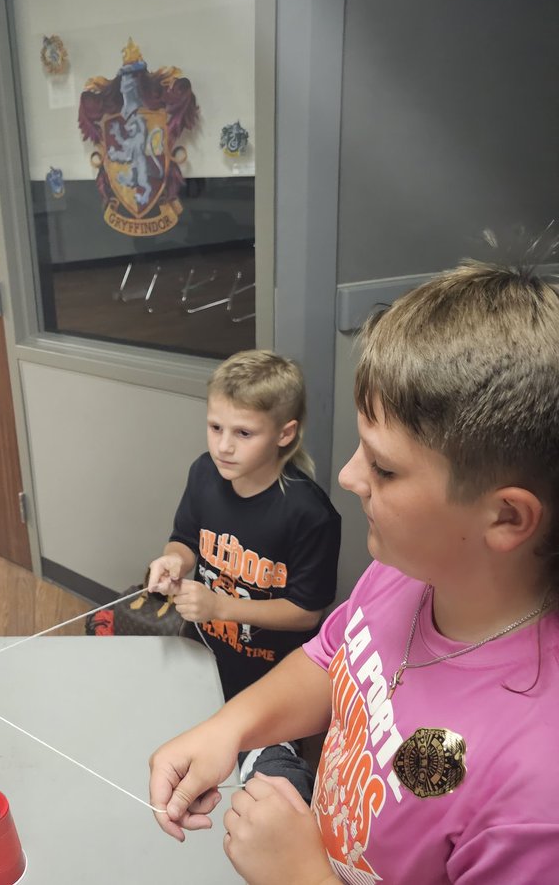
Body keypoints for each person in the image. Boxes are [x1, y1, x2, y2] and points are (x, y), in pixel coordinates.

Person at [148, 260, 559, 885]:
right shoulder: (408, 570)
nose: (347, 476)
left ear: (505, 517)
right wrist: (228, 729)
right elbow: (330, 656)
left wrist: (300, 875)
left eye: (385, 469)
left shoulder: (535, 797)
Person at [146, 349, 341, 801]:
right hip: (202, 654)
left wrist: (219, 606)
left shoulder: (310, 514)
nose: (223, 446)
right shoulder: (204, 473)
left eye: (243, 433)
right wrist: (174, 560)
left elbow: (307, 614)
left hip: (269, 679)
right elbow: (184, 539)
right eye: (215, 427)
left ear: (284, 433)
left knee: (254, 783)